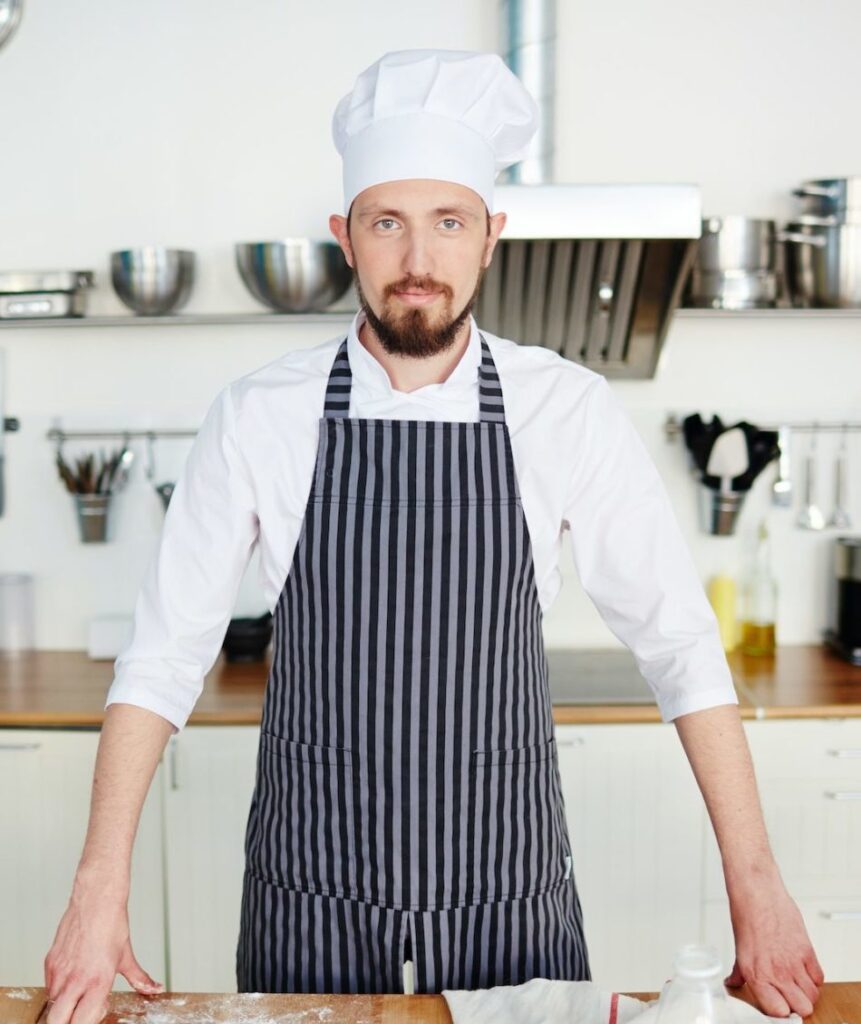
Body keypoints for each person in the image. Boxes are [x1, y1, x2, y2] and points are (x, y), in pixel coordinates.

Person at [44, 48, 823, 1024]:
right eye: (388, 223)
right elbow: (161, 660)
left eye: (448, 222)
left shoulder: (565, 410)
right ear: (345, 236)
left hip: (508, 893)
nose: (419, 260)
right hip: (309, 899)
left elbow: (681, 649)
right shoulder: (259, 416)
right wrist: (95, 889)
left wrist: (759, 885)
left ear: (492, 235)